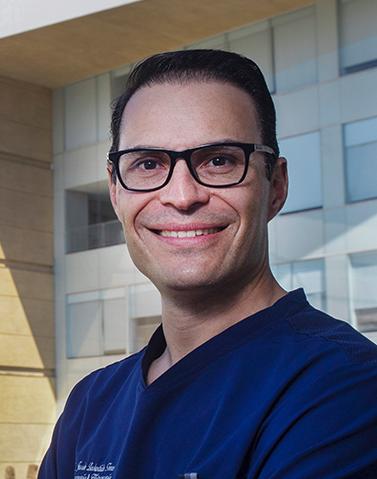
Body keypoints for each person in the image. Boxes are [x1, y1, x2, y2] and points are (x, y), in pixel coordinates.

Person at [39, 50, 377, 479]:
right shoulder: (92, 404)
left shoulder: (344, 387)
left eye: (219, 160)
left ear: (276, 186)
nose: (182, 195)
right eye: (147, 164)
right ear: (115, 192)